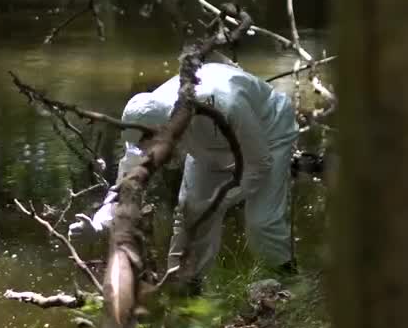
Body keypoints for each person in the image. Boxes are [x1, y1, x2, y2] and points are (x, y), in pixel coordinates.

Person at [86, 59, 298, 286]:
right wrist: (101, 219)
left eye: (153, 145)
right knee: (190, 212)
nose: (151, 155)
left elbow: (259, 164)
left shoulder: (226, 104)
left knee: (262, 221)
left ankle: (286, 281)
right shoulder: (144, 118)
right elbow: (130, 173)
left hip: (268, 133)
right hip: (208, 143)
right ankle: (186, 287)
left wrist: (221, 201)